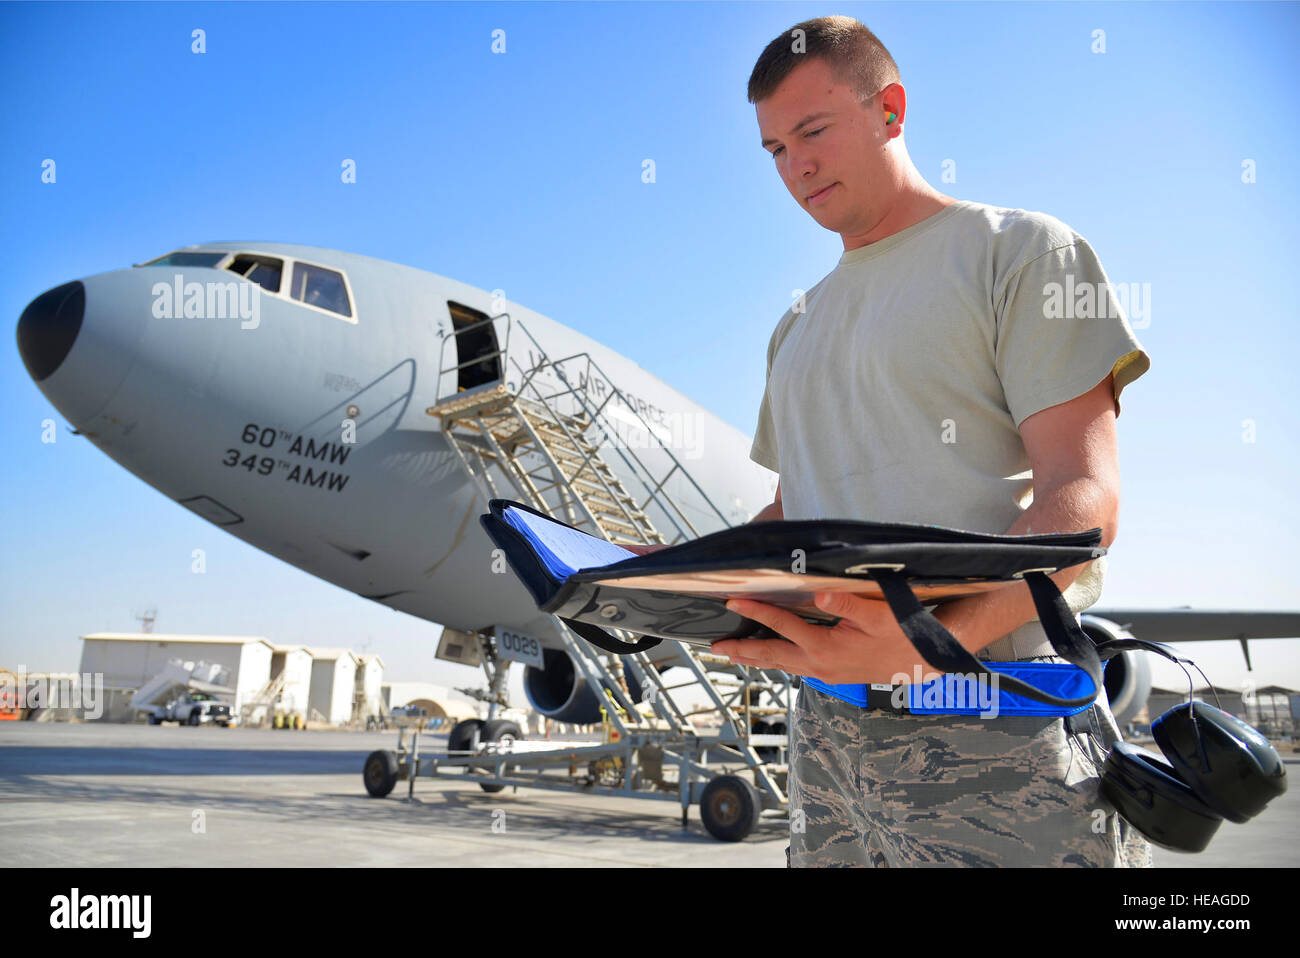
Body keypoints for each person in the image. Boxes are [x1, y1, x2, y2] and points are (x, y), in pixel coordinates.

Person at [708, 16, 1154, 867]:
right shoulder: (791, 328)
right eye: (773, 150)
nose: (795, 165)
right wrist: (664, 577)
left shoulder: (1023, 254)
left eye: (812, 130)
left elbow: (1083, 504)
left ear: (889, 110)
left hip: (993, 713)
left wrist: (930, 643)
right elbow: (789, 511)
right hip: (829, 740)